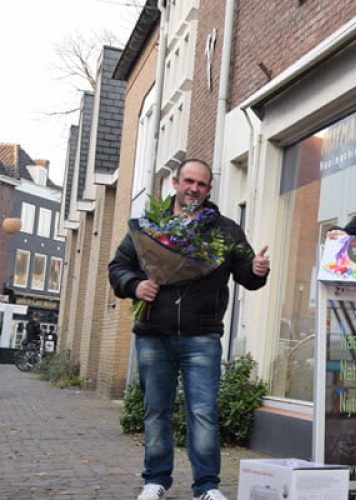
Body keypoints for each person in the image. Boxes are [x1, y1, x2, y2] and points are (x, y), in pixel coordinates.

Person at [108, 159, 270, 500]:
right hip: (154, 332)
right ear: (175, 183)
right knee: (156, 410)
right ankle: (155, 479)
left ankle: (207, 486)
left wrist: (257, 269)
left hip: (202, 335)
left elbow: (247, 273)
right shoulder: (150, 225)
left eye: (201, 184)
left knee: (203, 412)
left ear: (209, 190)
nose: (193, 188)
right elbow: (118, 266)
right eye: (188, 181)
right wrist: (135, 286)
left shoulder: (226, 230)